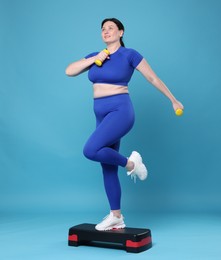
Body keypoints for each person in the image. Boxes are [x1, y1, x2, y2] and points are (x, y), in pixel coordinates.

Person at [65, 18, 184, 231]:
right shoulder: (95, 56)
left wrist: (173, 99)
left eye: (111, 28)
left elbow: (152, 78)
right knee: (107, 168)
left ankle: (131, 164)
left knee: (90, 150)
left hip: (120, 111)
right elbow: (70, 70)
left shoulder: (129, 55)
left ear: (121, 32)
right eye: (103, 29)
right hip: (100, 113)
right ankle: (116, 216)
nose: (106, 31)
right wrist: (94, 59)